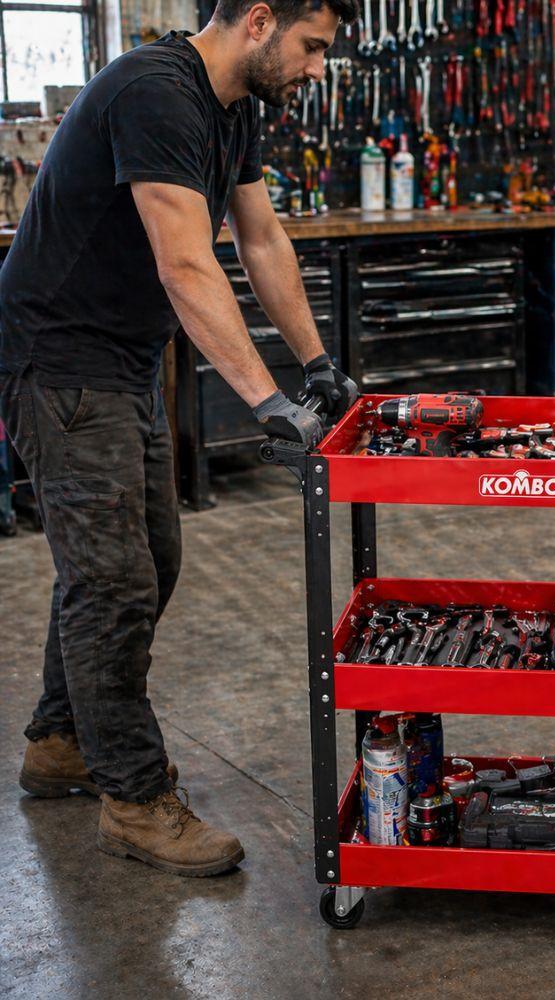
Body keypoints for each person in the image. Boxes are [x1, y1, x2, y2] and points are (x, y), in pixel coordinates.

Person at [0, 0, 360, 877]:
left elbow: (261, 236)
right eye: (312, 48)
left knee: (148, 562)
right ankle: (132, 797)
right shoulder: (156, 92)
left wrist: (317, 365)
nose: (316, 69)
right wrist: (265, 399)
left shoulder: (233, 106)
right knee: (113, 584)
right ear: (261, 21)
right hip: (59, 360)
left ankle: (60, 741)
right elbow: (186, 261)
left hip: (122, 361)